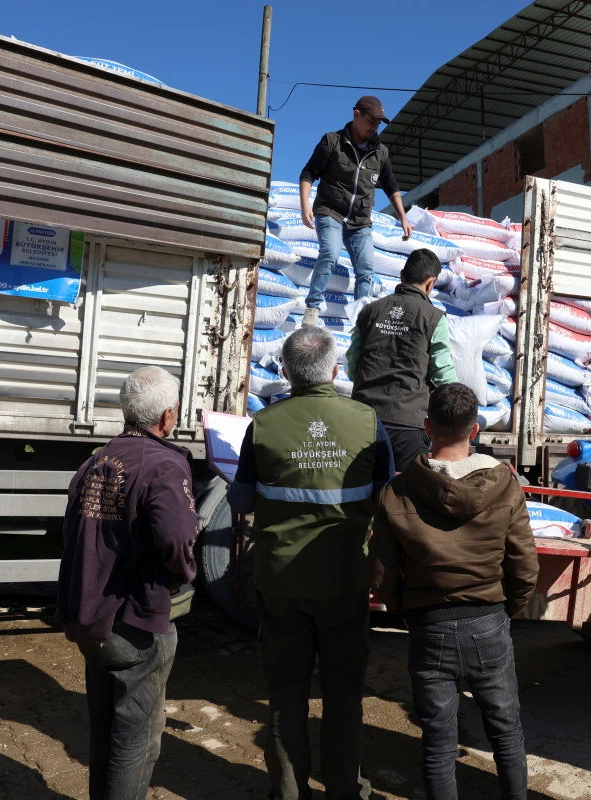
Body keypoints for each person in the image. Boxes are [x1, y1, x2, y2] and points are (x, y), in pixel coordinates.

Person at [228, 326, 395, 800]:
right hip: (344, 579)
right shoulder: (366, 421)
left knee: (286, 692)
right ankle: (345, 789)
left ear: (285, 372)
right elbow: (387, 497)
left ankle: (288, 791)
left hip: (280, 581)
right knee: (343, 692)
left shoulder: (263, 425)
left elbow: (241, 502)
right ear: (336, 371)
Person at [369, 382, 538, 800]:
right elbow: (524, 566)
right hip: (489, 621)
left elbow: (381, 573)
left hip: (429, 626)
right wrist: (507, 610)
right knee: (507, 734)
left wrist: (407, 612)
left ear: (427, 427)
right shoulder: (506, 486)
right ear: (475, 429)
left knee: (438, 742)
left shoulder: (397, 491)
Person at [57, 366, 198, 800]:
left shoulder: (96, 460)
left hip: (91, 618)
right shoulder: (165, 464)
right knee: (138, 740)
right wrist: (181, 576)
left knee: (105, 731)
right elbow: (177, 538)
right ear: (168, 416)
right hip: (135, 622)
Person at [299, 95, 412, 326]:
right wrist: (304, 205)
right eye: (371, 121)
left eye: (378, 123)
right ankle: (312, 309)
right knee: (330, 253)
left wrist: (403, 217)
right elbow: (308, 173)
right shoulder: (333, 141)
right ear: (356, 114)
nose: (375, 127)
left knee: (366, 269)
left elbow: (391, 187)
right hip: (330, 210)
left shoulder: (380, 153)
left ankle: (361, 323)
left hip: (360, 220)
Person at [348, 248, 458, 471]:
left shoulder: (369, 311)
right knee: (405, 491)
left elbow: (352, 364)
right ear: (431, 283)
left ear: (401, 275)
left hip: (362, 419)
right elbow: (442, 374)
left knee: (361, 488)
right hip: (408, 425)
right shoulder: (434, 317)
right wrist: (459, 406)